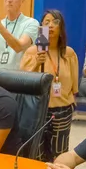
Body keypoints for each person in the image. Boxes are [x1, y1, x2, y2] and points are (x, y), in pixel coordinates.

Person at [20, 9, 79, 160]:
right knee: (37, 152)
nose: (50, 25)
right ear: (41, 27)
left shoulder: (69, 53)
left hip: (62, 110)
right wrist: (35, 63)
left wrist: (72, 102)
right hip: (38, 109)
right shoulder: (32, 52)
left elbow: (74, 84)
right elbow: (23, 81)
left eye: (55, 22)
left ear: (61, 28)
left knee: (60, 152)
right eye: (46, 22)